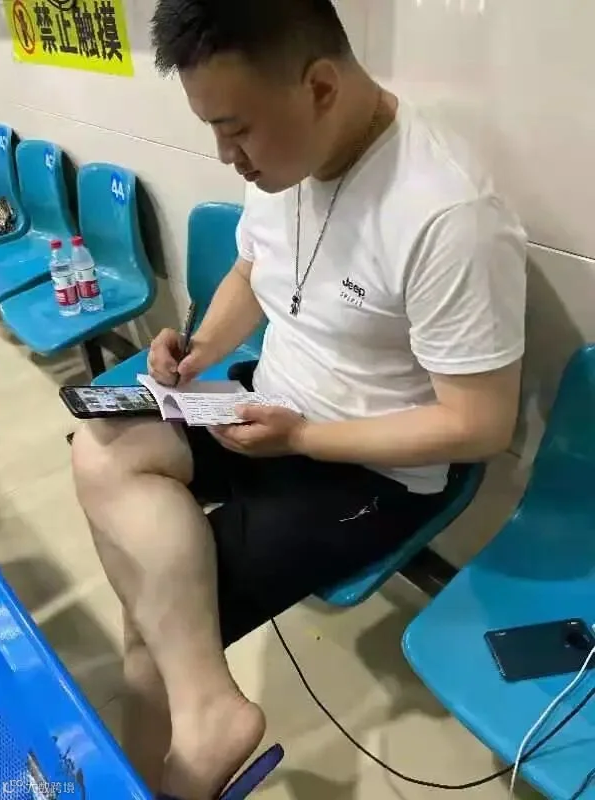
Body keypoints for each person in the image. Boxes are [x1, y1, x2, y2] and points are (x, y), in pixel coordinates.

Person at [71, 0, 527, 798]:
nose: (227, 156)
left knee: (153, 627)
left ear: (319, 86)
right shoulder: (282, 166)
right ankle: (201, 717)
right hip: (267, 405)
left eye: (237, 129)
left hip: (365, 470)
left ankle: (177, 761)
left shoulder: (448, 217)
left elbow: (480, 425)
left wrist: (305, 439)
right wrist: (201, 349)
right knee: (99, 448)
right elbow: (255, 272)